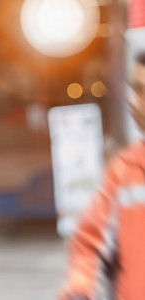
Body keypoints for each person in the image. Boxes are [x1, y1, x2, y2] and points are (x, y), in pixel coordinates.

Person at [58, 52, 145, 299]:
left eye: (141, 90)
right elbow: (90, 243)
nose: (132, 101)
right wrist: (79, 288)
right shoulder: (125, 170)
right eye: (133, 89)